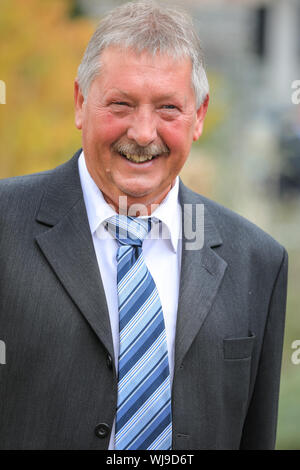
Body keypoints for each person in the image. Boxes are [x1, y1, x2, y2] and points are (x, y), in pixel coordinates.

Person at [0, 1, 288, 450]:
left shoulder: (257, 261)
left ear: (199, 116)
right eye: (121, 104)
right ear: (80, 102)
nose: (142, 132)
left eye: (168, 108)